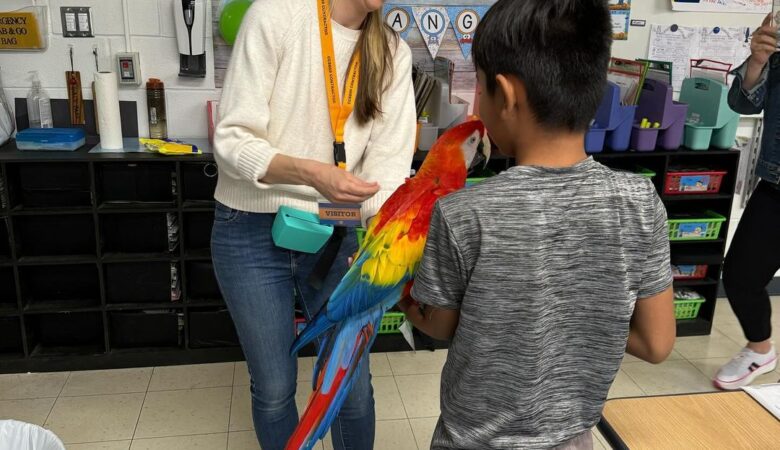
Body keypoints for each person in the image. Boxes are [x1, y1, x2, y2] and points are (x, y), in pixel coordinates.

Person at [397, 1, 676, 448]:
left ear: (506, 95)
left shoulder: (464, 213)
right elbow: (656, 343)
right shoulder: (640, 202)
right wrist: (578, 315)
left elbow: (443, 326)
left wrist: (403, 299)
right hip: (572, 438)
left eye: (481, 91)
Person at [211, 0, 416, 448]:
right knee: (273, 389)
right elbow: (231, 138)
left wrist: (391, 237)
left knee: (351, 388)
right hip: (249, 227)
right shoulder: (276, 16)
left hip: (335, 229)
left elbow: (388, 171)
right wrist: (310, 174)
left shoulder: (393, 53)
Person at [715, 12, 779, 390]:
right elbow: (743, 102)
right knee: (740, 275)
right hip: (776, 185)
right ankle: (760, 349)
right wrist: (757, 61)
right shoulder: (776, 53)